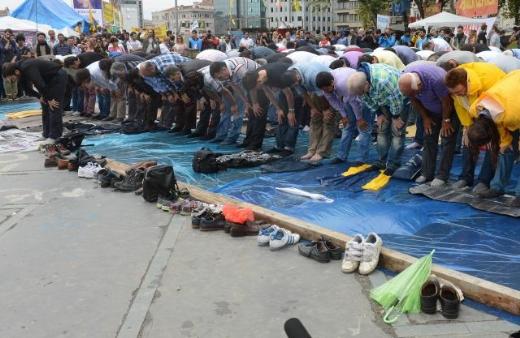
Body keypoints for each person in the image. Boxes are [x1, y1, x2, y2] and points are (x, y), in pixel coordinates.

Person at [444, 62, 506, 190]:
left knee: (492, 144)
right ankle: (466, 178)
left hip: (497, 110)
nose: (458, 95)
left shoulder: (489, 81)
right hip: (476, 110)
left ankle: (484, 180)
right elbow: (460, 106)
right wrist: (467, 127)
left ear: (467, 83)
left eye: (460, 92)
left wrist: (492, 133)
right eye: (454, 93)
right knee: (468, 139)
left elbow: (498, 109)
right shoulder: (456, 85)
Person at [399, 63, 459, 186]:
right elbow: (413, 100)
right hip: (430, 111)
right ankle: (427, 173)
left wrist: (446, 120)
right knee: (429, 138)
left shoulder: (437, 80)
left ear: (420, 85)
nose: (414, 96)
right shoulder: (407, 80)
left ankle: (442, 176)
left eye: (415, 93)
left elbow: (446, 101)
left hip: (449, 111)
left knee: (447, 140)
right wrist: (425, 118)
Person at [466, 70, 520, 204]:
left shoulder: (511, 115)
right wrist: (504, 145)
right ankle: (497, 187)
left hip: (515, 103)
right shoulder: (475, 109)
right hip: (511, 87)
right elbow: (501, 128)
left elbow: (505, 123)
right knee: (505, 150)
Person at [347, 63, 408, 174]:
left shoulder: (384, 81)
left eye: (362, 92)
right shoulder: (359, 82)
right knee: (382, 130)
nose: (361, 95)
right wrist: (379, 113)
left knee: (397, 132)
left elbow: (397, 99)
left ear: (367, 84)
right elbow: (367, 99)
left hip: (400, 99)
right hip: (382, 99)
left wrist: (396, 117)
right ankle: (382, 161)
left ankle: (393, 163)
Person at [280, 61, 333, 162]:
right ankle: (311, 151)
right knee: (315, 119)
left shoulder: (312, 75)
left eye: (296, 82)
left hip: (330, 91)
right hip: (315, 91)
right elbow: (304, 94)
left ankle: (321, 152)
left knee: (328, 120)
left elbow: (325, 94)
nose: (296, 84)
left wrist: (326, 109)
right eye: (294, 84)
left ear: (297, 76)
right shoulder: (291, 76)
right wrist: (313, 108)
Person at [3, 59, 66, 143]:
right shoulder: (20, 73)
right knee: (45, 105)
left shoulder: (27, 66)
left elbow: (39, 83)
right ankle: (46, 134)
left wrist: (49, 99)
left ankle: (55, 136)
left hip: (57, 76)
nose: (12, 81)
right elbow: (28, 90)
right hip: (47, 81)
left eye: (12, 78)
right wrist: (40, 96)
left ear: (16, 72)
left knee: (54, 106)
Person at [317, 68, 371, 164]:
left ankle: (362, 159)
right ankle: (341, 156)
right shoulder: (325, 86)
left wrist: (359, 118)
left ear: (332, 82)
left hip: (362, 97)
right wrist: (344, 115)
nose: (327, 91)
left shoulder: (342, 84)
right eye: (324, 90)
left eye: (327, 88)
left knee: (363, 128)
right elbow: (333, 101)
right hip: (348, 98)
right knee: (347, 126)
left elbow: (354, 101)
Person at [209, 57, 260, 144]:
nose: (221, 80)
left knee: (246, 111)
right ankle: (225, 136)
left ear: (223, 70)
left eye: (220, 77)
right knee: (243, 109)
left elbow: (250, 86)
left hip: (257, 83)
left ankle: (237, 138)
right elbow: (236, 88)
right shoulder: (227, 73)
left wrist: (253, 103)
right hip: (246, 83)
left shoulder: (239, 70)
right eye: (219, 79)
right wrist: (246, 102)